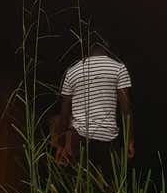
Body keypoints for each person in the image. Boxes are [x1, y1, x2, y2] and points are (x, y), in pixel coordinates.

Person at [56, 42, 134, 179]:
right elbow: (126, 109)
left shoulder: (73, 71)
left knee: (81, 185)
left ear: (87, 51)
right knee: (110, 185)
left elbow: (64, 113)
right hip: (107, 137)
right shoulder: (119, 68)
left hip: (79, 137)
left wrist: (61, 144)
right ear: (107, 50)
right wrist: (129, 141)